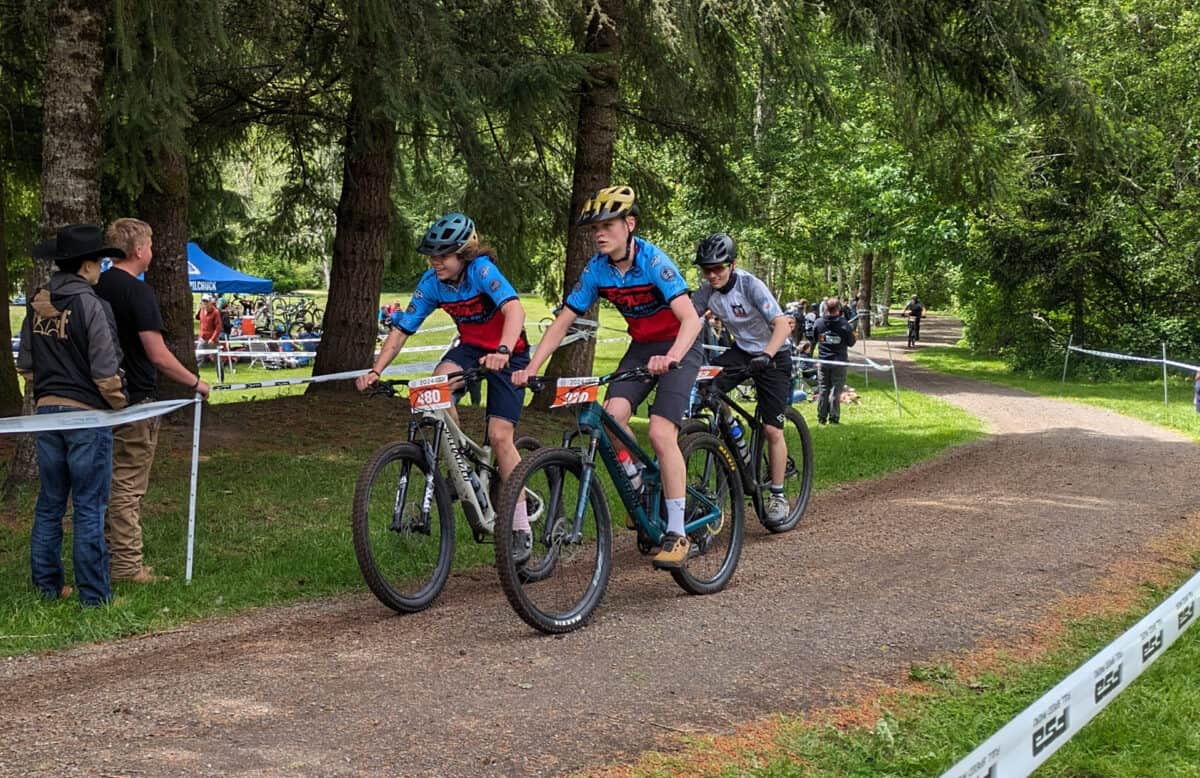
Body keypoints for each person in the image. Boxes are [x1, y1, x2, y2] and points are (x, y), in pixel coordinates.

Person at [512, 185, 703, 569]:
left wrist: (672, 357)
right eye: (595, 227)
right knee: (613, 416)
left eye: (608, 225)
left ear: (629, 224)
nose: (599, 233)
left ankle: (678, 532)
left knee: (661, 433)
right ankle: (639, 486)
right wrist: (531, 367)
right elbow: (563, 322)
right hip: (642, 346)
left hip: (680, 344)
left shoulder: (653, 261)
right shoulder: (597, 269)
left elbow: (691, 319)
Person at [356, 213, 534, 563]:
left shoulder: (482, 270)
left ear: (464, 254)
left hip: (508, 352)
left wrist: (502, 350)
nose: (435, 263)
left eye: (443, 256)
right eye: (431, 256)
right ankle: (462, 468)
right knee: (435, 387)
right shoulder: (432, 282)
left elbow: (514, 310)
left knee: (500, 437)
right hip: (469, 349)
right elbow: (402, 329)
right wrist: (376, 370)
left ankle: (520, 528)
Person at [17, 225, 129, 606]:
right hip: (87, 418)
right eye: (99, 261)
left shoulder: (36, 303)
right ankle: (95, 596)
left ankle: (47, 588)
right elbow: (105, 370)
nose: (101, 268)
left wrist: (51, 388)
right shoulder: (91, 305)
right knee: (89, 506)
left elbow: (27, 366)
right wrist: (118, 405)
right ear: (85, 266)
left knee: (50, 503)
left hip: (46, 415)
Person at [96, 218, 211, 584]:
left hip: (99, 398)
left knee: (104, 483)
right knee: (127, 486)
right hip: (136, 400)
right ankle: (128, 567)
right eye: (150, 244)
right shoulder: (137, 292)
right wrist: (196, 382)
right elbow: (157, 354)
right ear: (140, 250)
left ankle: (101, 557)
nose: (153, 251)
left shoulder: (96, 287)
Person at [690, 233, 794, 525]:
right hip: (742, 351)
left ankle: (777, 495)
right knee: (706, 385)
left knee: (772, 430)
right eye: (706, 269)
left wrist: (768, 355)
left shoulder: (750, 285)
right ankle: (731, 431)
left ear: (732, 265)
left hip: (775, 352)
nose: (712, 275)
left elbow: (783, 325)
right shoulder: (707, 291)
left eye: (718, 269)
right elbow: (685, 319)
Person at [812, 296, 857, 425]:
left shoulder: (819, 323)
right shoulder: (844, 325)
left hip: (823, 362)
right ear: (839, 309)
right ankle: (834, 418)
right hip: (839, 362)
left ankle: (821, 417)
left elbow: (814, 338)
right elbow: (851, 342)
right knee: (836, 390)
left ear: (826, 308)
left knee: (823, 389)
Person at [196, 294, 222, 364]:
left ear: (210, 302)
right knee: (198, 357)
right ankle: (194, 374)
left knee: (216, 358)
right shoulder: (201, 310)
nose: (205, 303)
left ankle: (220, 373)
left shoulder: (215, 312)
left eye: (206, 301)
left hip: (212, 339)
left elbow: (218, 327)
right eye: (203, 301)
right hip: (202, 338)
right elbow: (197, 318)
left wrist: (212, 338)